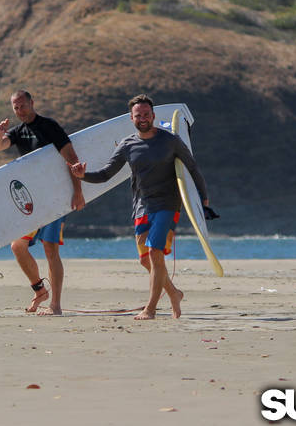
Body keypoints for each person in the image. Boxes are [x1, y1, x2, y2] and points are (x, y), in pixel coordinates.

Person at [70, 94, 209, 320]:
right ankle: (174, 293)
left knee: (155, 252)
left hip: (167, 203)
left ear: (153, 116)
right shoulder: (127, 145)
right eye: (138, 115)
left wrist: (203, 198)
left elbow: (192, 167)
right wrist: (83, 176)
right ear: (131, 118)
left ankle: (151, 309)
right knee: (145, 259)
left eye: (146, 114)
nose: (143, 118)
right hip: (142, 205)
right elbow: (106, 174)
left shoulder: (170, 140)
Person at [0, 90, 85, 316]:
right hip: (32, 200)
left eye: (23, 105)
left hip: (55, 198)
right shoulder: (18, 131)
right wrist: (0, 131)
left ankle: (56, 306)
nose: (20, 110)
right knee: (17, 245)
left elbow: (72, 158)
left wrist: (78, 191)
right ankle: (40, 290)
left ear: (32, 103)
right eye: (15, 107)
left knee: (50, 249)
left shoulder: (49, 126)